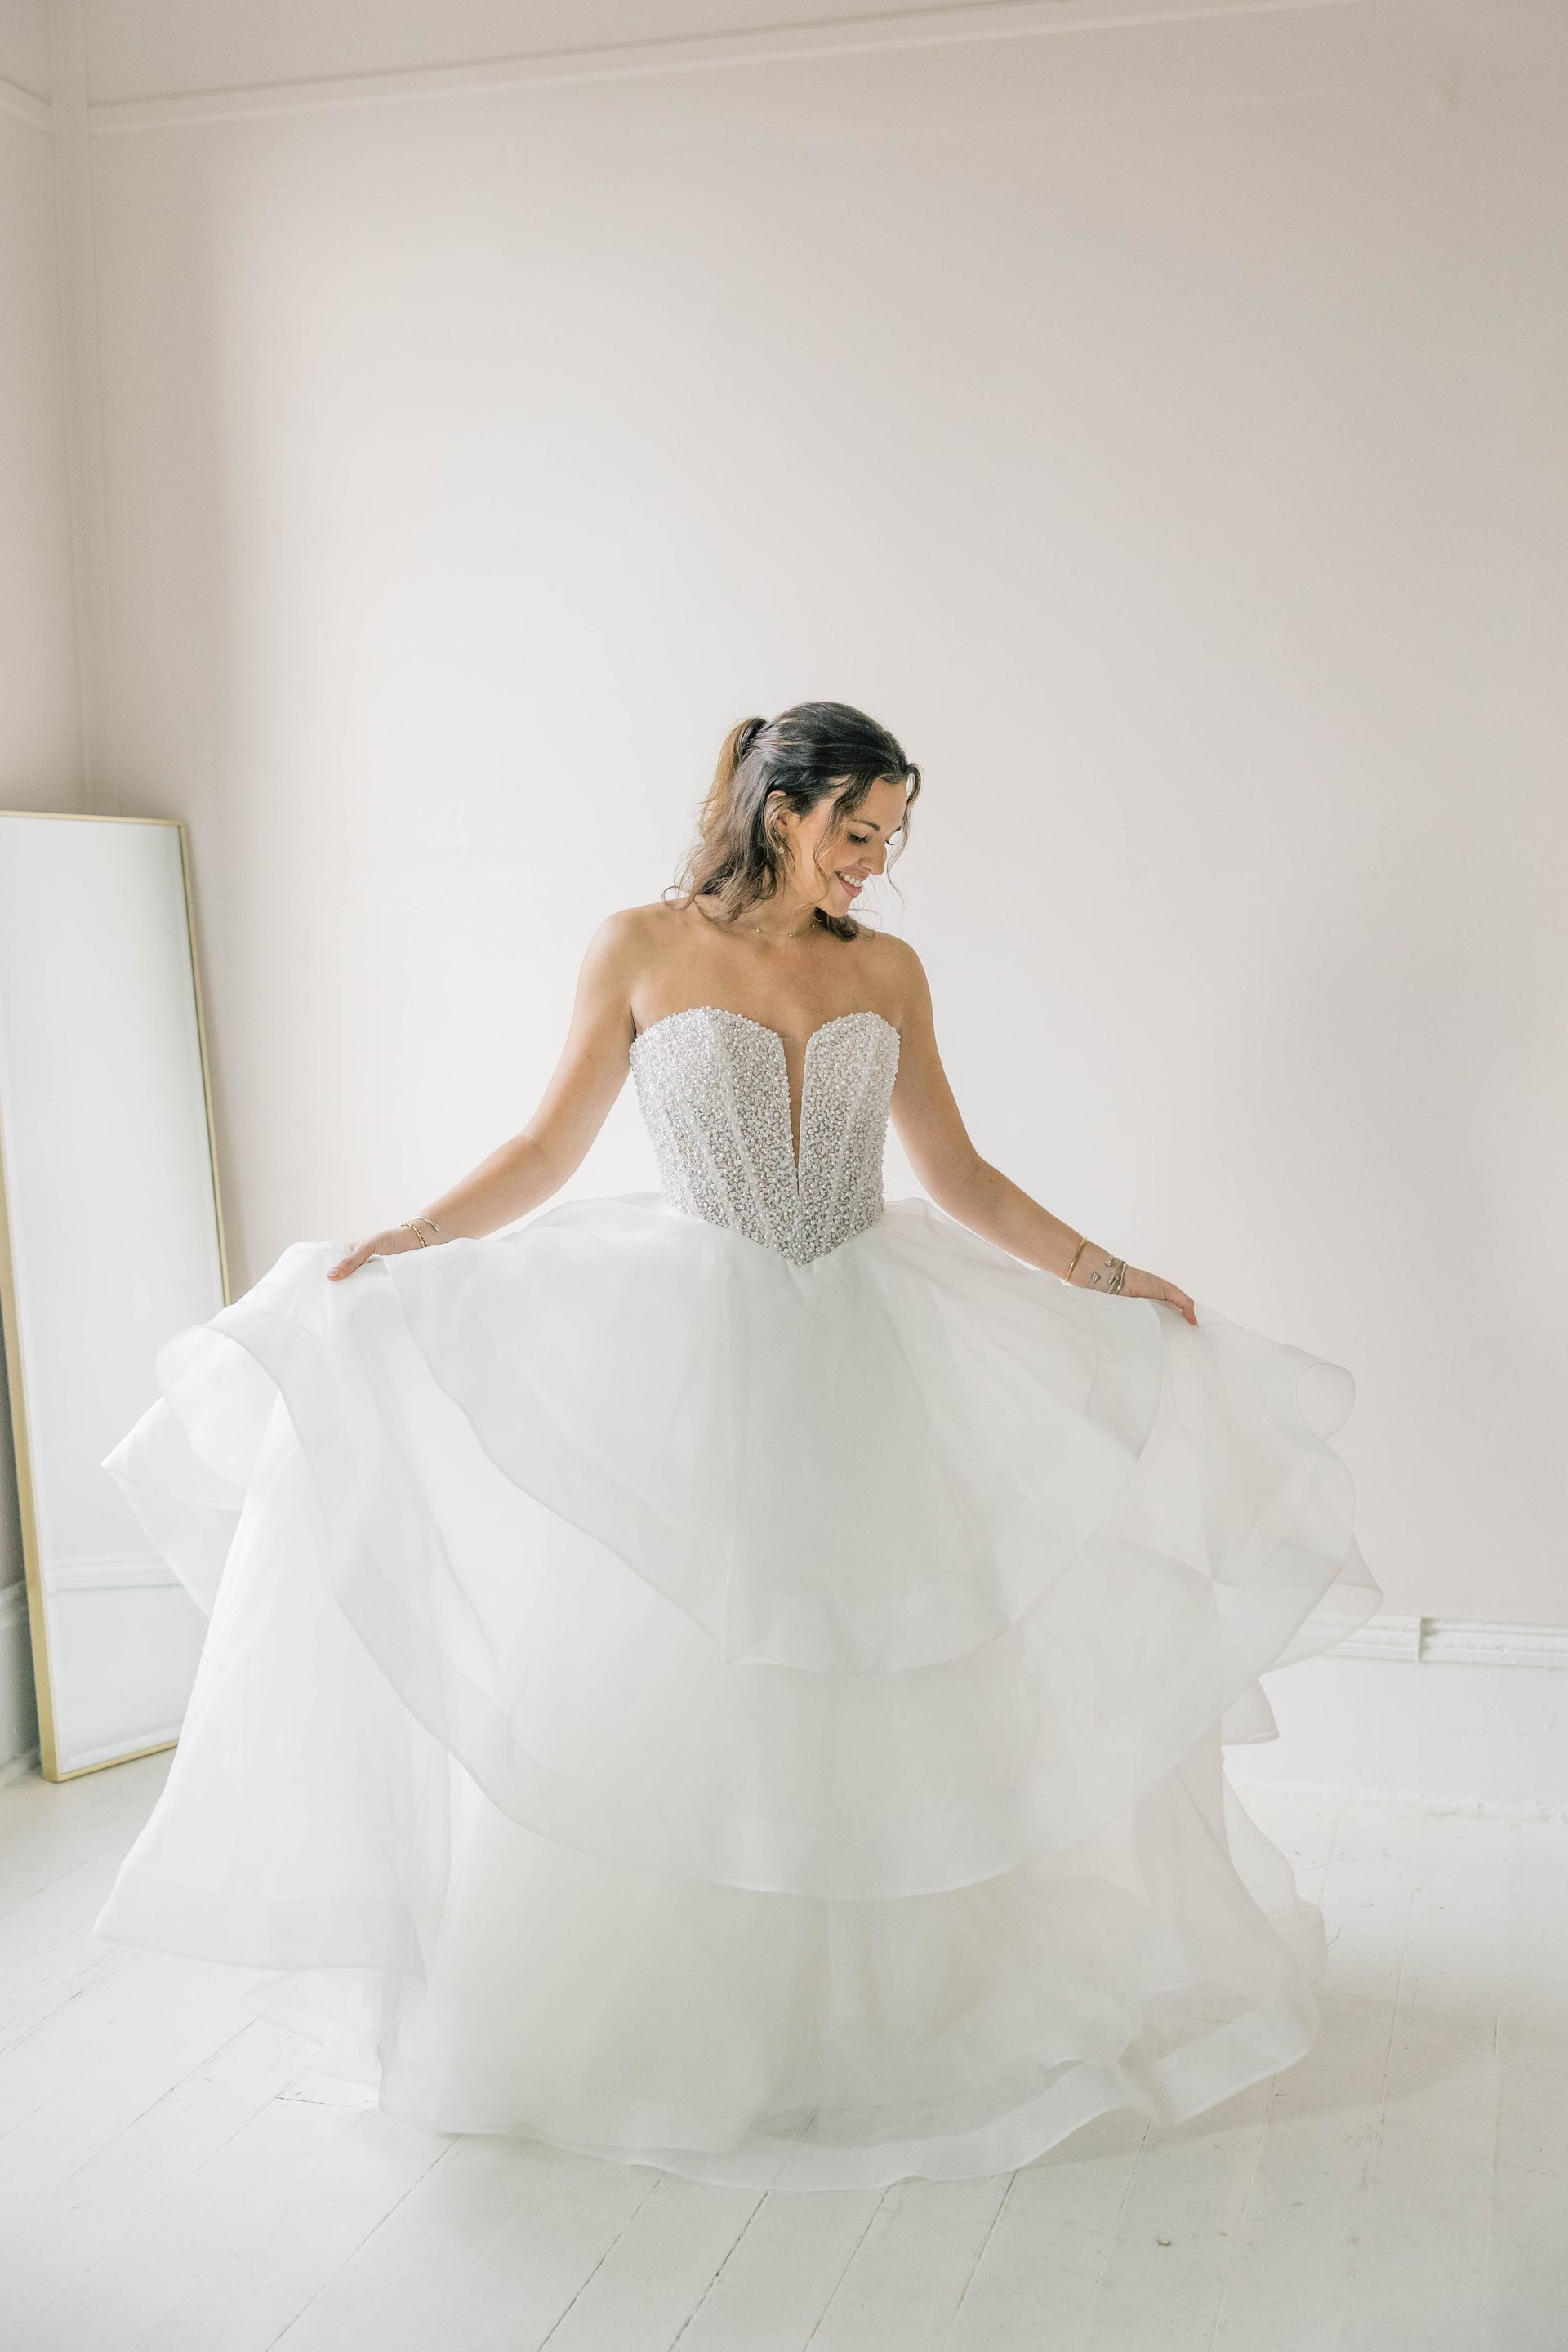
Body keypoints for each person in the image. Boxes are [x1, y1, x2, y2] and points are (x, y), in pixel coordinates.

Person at [93, 702, 1377, 2190]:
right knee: (692, 1677)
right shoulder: (638, 949)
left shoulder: (886, 970)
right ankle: (703, 2024)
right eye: (857, 830)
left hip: (868, 1353)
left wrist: (1104, 1273)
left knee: (879, 1680)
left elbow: (953, 1172)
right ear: (784, 811)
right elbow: (548, 1147)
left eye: (892, 837)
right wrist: (417, 1237)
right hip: (694, 1347)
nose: (875, 864)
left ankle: (892, 2013)